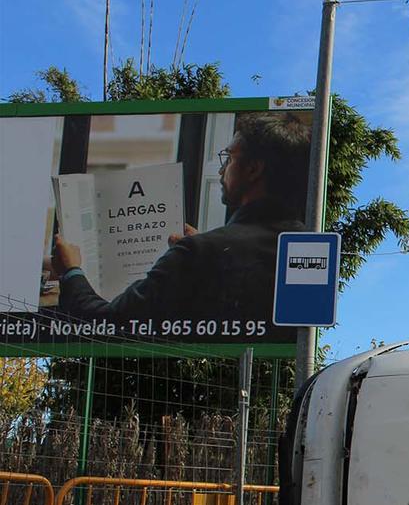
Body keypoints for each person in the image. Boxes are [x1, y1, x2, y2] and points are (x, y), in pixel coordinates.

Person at [51, 112, 310, 341]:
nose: (221, 170)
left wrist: (71, 271)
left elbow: (106, 325)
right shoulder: (306, 249)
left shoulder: (199, 253)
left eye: (229, 158)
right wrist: (212, 247)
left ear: (253, 169)